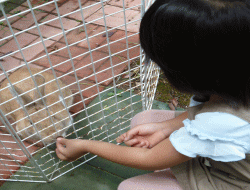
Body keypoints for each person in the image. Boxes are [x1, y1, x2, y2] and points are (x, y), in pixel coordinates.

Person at [56, 0, 250, 189]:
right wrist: (165, 128)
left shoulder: (221, 122)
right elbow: (207, 110)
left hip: (236, 181)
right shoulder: (236, 77)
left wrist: (85, 145)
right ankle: (174, 159)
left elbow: (147, 158)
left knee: (130, 187)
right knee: (145, 120)